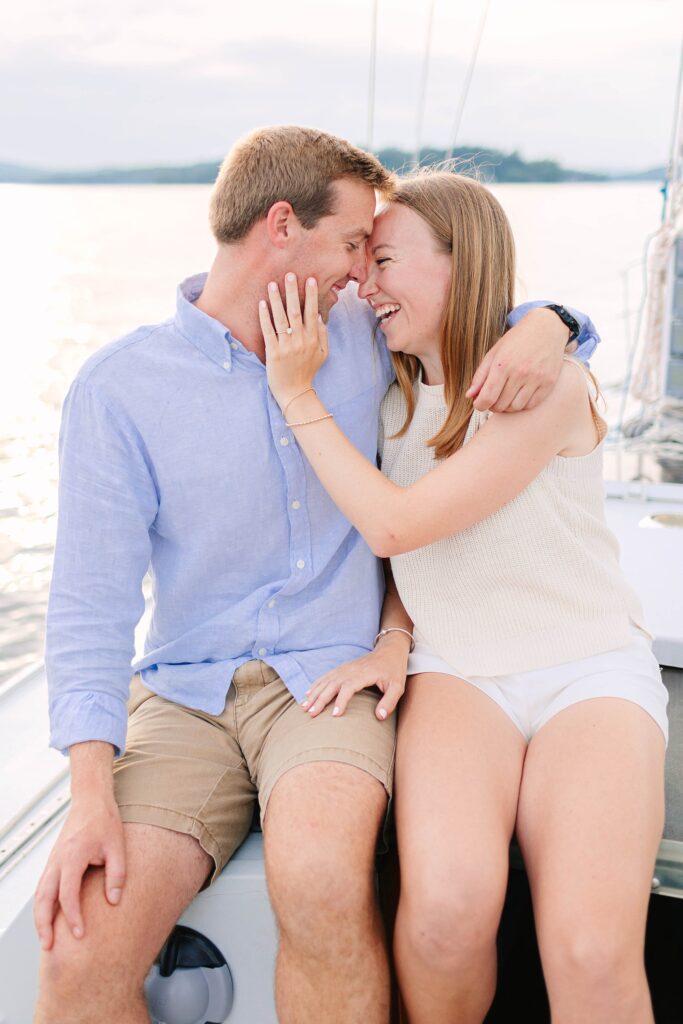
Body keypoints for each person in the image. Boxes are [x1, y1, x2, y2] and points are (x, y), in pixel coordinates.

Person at [35, 128, 596, 1024]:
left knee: (322, 880)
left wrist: (554, 322)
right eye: (351, 246)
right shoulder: (120, 388)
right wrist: (90, 795)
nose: (360, 273)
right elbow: (91, 608)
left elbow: (485, 318)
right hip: (184, 698)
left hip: (326, 684)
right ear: (283, 226)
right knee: (76, 958)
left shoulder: (367, 335)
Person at [261, 170, 667, 1024]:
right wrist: (393, 635)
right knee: (443, 919)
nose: (363, 287)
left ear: (461, 261)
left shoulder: (546, 387)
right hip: (456, 672)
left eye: (382, 262)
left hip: (585, 667)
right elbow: (422, 560)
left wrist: (293, 392)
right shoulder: (381, 389)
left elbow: (398, 527)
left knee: (591, 952)